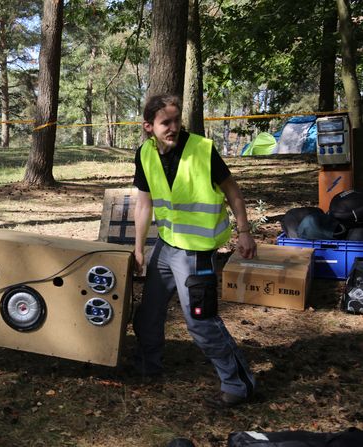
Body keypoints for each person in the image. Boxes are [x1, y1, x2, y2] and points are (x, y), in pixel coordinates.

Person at [132, 94, 257, 407]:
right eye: (166, 123)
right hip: (166, 245)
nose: (173, 127)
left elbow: (234, 193)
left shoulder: (202, 149)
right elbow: (144, 203)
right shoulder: (145, 154)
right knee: (148, 315)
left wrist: (244, 232)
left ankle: (239, 385)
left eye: (177, 121)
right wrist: (138, 249)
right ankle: (150, 367)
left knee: (201, 322)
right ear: (149, 127)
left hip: (197, 251)